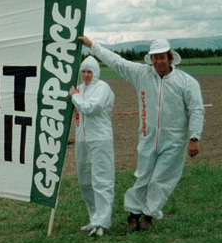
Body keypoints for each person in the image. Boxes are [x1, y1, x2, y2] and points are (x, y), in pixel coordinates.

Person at [78, 37, 204, 231]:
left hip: (174, 139)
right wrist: (92, 46)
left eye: (162, 57)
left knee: (162, 178)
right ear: (150, 59)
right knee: (143, 175)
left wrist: (194, 137)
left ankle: (148, 215)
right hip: (148, 136)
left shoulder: (186, 82)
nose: (158, 62)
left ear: (170, 58)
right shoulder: (142, 74)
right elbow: (117, 61)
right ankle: (133, 214)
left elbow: (196, 109)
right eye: (154, 58)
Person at [69, 56, 115, 237]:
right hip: (82, 139)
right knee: (86, 181)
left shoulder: (103, 89)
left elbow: (91, 108)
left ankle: (103, 222)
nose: (86, 75)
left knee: (101, 180)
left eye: (90, 72)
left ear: (96, 72)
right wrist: (76, 96)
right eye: (84, 71)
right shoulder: (79, 89)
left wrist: (75, 97)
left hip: (100, 139)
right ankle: (94, 218)